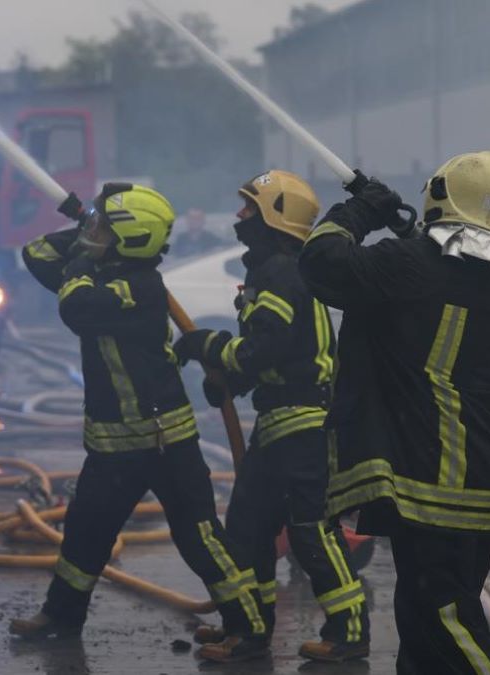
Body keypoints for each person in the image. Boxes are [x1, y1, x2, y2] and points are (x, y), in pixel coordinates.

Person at [10, 183, 269, 659]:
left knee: (198, 537)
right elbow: (36, 254)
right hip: (112, 447)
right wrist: (87, 228)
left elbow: (76, 307)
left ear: (131, 239)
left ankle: (248, 629)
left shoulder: (139, 288)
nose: (95, 233)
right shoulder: (100, 271)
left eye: (106, 228)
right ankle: (61, 616)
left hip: (162, 443)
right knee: (86, 530)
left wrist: (88, 251)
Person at [299, 151, 490, 674]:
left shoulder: (412, 266)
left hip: (436, 483)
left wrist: (362, 210)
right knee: (423, 640)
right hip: (477, 481)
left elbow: (321, 264)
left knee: (445, 620)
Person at [173, 170, 369, 663]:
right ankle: (249, 630)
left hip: (303, 427)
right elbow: (280, 353)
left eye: (249, 208)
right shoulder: (276, 270)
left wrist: (206, 345)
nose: (239, 217)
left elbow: (265, 348)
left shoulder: (281, 272)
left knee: (308, 529)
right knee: (247, 527)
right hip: (284, 422)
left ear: (272, 217)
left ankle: (348, 632)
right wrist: (231, 381)